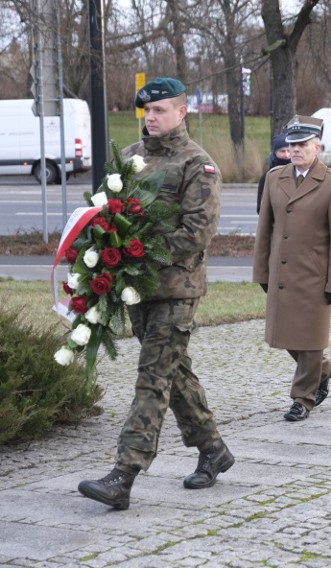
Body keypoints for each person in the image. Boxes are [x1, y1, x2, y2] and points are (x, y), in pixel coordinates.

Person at [78, 77, 233, 510]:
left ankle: (123, 476)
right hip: (136, 290)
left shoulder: (197, 165)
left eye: (161, 110)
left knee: (153, 378)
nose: (152, 118)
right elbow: (106, 212)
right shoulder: (128, 158)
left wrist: (141, 255)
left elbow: (196, 233)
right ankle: (213, 449)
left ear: (183, 112)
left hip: (176, 289)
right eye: (147, 111)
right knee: (174, 373)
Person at [253, 115, 331, 422]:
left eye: (302, 145)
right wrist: (261, 271)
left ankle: (302, 398)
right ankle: (324, 370)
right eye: (292, 145)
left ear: (317, 146)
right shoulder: (274, 178)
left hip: (314, 276)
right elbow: (265, 228)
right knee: (283, 336)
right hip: (281, 273)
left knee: (310, 340)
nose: (295, 150)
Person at [256, 133, 291, 213]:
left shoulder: (298, 173)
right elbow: (260, 208)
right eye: (282, 151)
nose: (286, 155)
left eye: (289, 150)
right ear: (275, 152)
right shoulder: (267, 177)